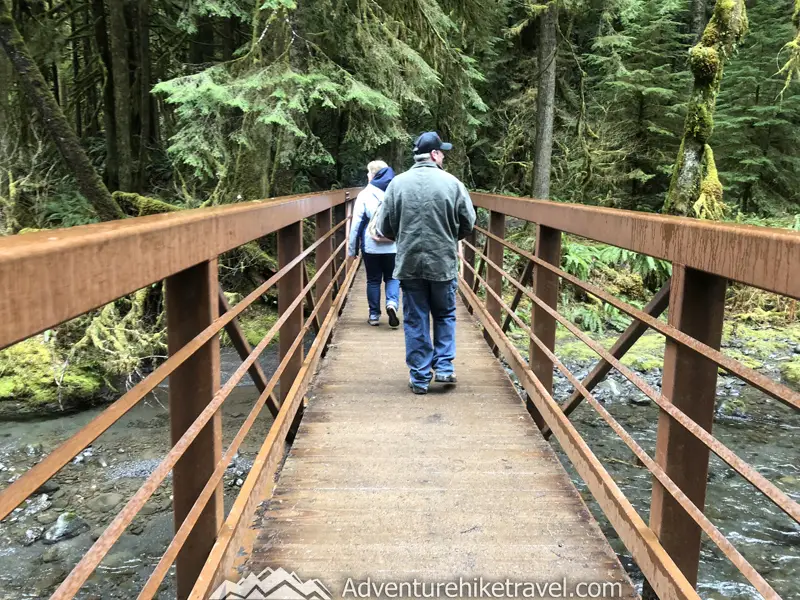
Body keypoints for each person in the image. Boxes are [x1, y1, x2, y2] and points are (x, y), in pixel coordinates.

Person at [379, 132, 476, 395]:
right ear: (434, 155)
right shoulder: (453, 184)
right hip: (442, 261)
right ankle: (444, 367)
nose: (443, 156)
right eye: (442, 152)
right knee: (444, 314)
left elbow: (384, 226)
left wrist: (402, 237)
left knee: (415, 319)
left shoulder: (397, 184)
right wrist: (448, 236)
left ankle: (420, 378)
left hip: (409, 263)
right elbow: (468, 223)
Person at [347, 160, 400, 328]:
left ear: (372, 175)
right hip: (393, 245)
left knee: (373, 280)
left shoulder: (365, 194)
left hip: (372, 245)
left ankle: (374, 315)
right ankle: (392, 304)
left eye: (368, 173)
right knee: (392, 277)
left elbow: (356, 224)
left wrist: (352, 249)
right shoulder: (397, 190)